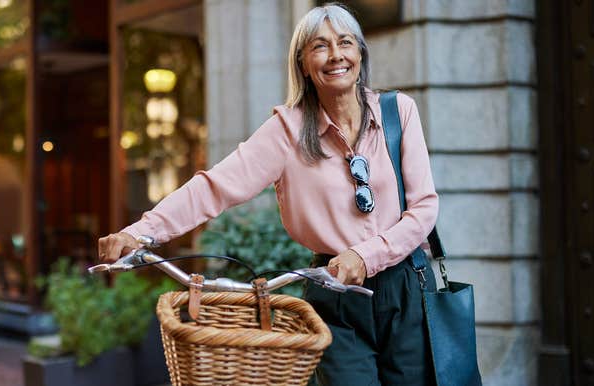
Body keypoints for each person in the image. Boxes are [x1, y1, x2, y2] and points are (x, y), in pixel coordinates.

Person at [99, 3, 438, 385]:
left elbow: (424, 208)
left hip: (405, 287)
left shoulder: (399, 112)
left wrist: (367, 255)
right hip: (334, 295)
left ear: (360, 53)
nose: (335, 55)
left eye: (345, 42)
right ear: (303, 64)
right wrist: (141, 232)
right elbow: (215, 186)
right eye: (320, 46)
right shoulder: (288, 130)